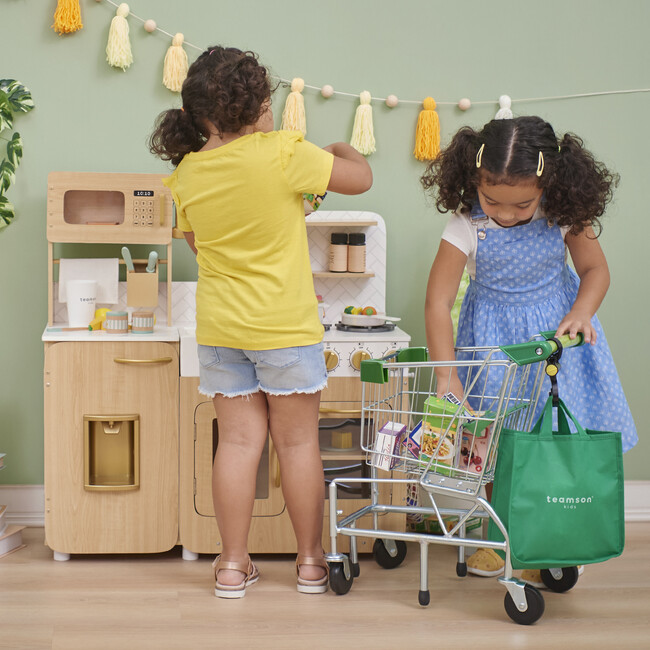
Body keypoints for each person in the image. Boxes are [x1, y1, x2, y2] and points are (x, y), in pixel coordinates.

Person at [149, 45, 372, 598]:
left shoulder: (187, 174)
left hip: (222, 330)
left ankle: (231, 565)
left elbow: (204, 250)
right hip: (284, 329)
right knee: (298, 446)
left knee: (238, 446)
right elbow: (360, 177)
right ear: (258, 111)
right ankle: (312, 562)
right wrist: (336, 146)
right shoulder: (283, 153)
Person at [421, 115, 637, 586]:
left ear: (548, 184)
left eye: (522, 204)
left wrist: (582, 312)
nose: (505, 212)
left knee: (554, 439)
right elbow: (437, 301)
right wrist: (447, 375)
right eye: (491, 199)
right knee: (500, 439)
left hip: (554, 341)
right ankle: (501, 537)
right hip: (495, 343)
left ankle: (554, 534)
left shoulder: (562, 215)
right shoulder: (465, 225)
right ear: (473, 179)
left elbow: (595, 271)